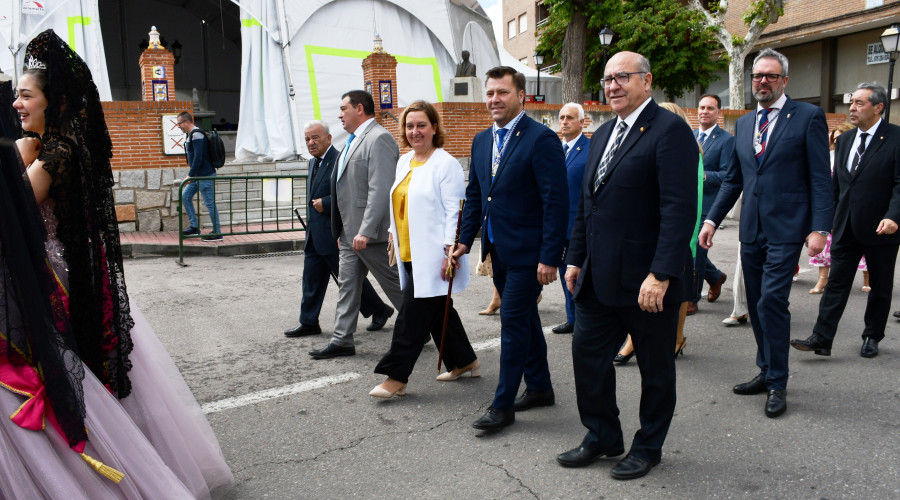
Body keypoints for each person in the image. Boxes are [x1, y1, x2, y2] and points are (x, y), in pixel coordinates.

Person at [10, 29, 232, 497]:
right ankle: (140, 456)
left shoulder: (54, 153)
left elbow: (16, 212)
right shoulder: (61, 147)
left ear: (54, 101)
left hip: (57, 279)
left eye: (25, 95)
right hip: (72, 269)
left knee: (75, 379)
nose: (16, 104)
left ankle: (115, 469)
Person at [558, 51, 697, 480]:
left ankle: (648, 446)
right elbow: (587, 205)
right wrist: (575, 257)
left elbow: (678, 210)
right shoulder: (600, 135)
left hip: (647, 282)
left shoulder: (670, 130)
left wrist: (661, 274)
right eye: (607, 79)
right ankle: (602, 435)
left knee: (655, 369)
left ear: (647, 80)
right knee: (587, 356)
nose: (612, 85)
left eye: (622, 77)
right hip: (599, 276)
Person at [699, 48, 832, 419]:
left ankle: (778, 381)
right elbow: (734, 181)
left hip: (788, 228)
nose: (763, 81)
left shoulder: (807, 117)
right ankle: (765, 369)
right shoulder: (743, 124)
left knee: (772, 300)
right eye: (758, 75)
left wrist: (820, 227)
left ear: (784, 80)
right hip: (752, 228)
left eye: (771, 76)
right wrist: (711, 220)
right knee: (756, 301)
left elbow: (821, 178)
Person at [453, 66, 568, 432]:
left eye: (502, 92)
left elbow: (556, 202)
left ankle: (502, 407)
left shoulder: (541, 138)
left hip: (530, 253)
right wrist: (463, 240)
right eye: (489, 93)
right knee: (525, 320)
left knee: (513, 322)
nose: (494, 99)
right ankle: (540, 387)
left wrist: (551, 256)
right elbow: (476, 195)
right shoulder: (482, 140)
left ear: (521, 95)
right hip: (497, 249)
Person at [369, 101, 479, 398]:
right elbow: (400, 202)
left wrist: (450, 252)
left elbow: (455, 212)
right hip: (408, 250)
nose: (415, 131)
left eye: (421, 125)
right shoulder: (404, 160)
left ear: (434, 128)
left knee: (412, 316)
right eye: (409, 126)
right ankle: (465, 360)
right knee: (438, 311)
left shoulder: (445, 164)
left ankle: (396, 376)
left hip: (433, 255)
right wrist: (393, 233)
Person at [791, 82, 900, 359]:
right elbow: (836, 187)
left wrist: (893, 217)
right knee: (836, 283)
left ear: (878, 107)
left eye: (860, 103)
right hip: (845, 226)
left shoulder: (896, 138)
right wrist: (824, 226)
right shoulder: (845, 140)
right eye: (851, 102)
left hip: (881, 229)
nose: (852, 108)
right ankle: (822, 337)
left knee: (880, 285)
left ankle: (872, 335)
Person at [310, 90, 404, 359]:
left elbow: (380, 188)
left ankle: (424, 327)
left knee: (396, 286)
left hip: (368, 234)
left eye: (343, 108)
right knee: (348, 286)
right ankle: (342, 340)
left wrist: (365, 230)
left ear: (359, 108)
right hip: (349, 233)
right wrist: (342, 228)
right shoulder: (352, 140)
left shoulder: (379, 138)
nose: (339, 114)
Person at [283, 120, 393, 338]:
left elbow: (350, 194)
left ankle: (380, 310)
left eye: (315, 138)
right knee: (311, 279)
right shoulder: (312, 163)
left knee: (349, 280)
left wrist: (326, 202)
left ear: (328, 138)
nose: (311, 143)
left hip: (335, 233)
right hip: (315, 234)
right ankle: (308, 321)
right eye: (307, 139)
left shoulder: (340, 159)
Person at [613, 102, 701, 365]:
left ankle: (676, 337)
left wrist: (688, 238)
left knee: (677, 285)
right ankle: (636, 338)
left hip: (680, 233)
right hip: (648, 232)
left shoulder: (687, 150)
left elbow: (688, 203)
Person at [808, 122, 868, 295]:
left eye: (841, 137)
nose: (837, 140)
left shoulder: (860, 154)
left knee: (862, 246)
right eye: (835, 137)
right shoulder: (829, 155)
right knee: (826, 246)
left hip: (857, 207)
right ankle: (822, 280)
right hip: (833, 206)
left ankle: (867, 278)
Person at [688, 94, 733, 315]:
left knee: (697, 250)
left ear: (718, 113)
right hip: (689, 201)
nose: (704, 111)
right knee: (691, 249)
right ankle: (715, 277)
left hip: (709, 204)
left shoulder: (726, 140)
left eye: (710, 108)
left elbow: (728, 175)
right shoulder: (691, 136)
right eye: (702, 107)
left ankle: (692, 298)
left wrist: (701, 176)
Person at [551, 102, 589, 334]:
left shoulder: (590, 148)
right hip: (558, 225)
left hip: (579, 225)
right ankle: (572, 318)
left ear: (582, 122)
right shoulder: (556, 148)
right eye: (562, 117)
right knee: (565, 275)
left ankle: (584, 320)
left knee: (579, 276)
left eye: (570, 118)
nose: (564, 122)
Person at [177, 111, 222, 241]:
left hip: (205, 175)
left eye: (179, 123)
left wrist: (189, 176)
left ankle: (217, 232)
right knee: (185, 196)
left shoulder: (196, 135)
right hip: (198, 175)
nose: (178, 126)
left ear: (186, 122)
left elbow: (198, 157)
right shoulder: (191, 135)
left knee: (209, 203)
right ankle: (194, 227)